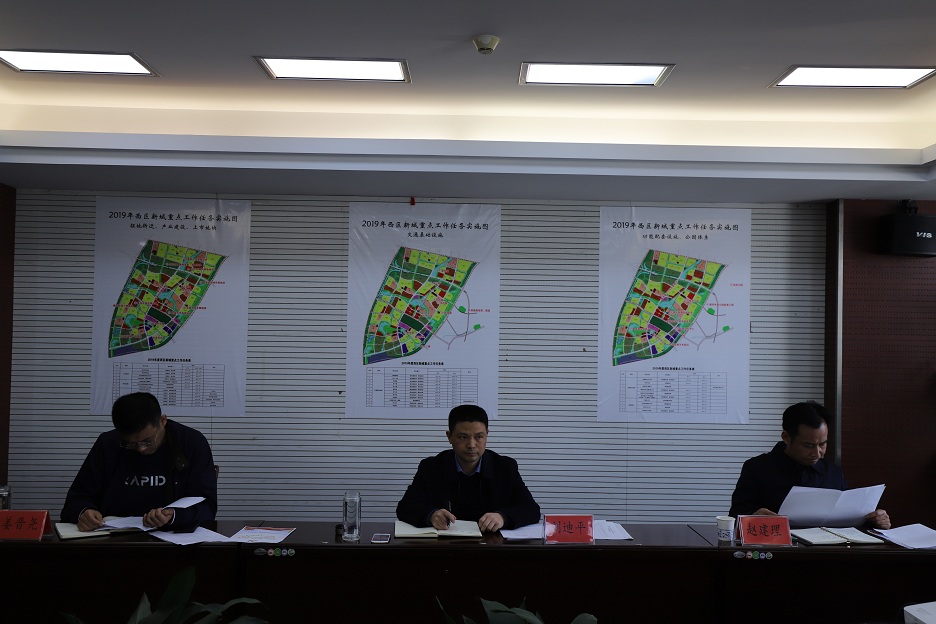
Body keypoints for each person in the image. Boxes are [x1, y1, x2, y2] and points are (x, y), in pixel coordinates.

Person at [61, 392, 217, 532]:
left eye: (148, 441)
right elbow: (76, 499)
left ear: (162, 421)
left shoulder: (191, 443)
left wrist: (175, 516)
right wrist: (84, 512)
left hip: (171, 538)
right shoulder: (108, 444)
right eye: (130, 444)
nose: (141, 449)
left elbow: (207, 506)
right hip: (113, 537)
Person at [729, 401, 890, 528]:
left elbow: (849, 518)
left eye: (822, 444)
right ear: (786, 438)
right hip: (777, 552)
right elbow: (735, 518)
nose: (817, 453)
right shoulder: (757, 468)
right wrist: (753, 518)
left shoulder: (832, 472)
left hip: (824, 553)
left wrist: (875, 520)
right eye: (808, 445)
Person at [396, 404, 540, 533]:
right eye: (463, 437)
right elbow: (405, 507)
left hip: (492, 547)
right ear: (449, 437)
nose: (471, 445)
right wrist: (431, 515)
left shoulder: (505, 468)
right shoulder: (431, 467)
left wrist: (503, 517)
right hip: (445, 547)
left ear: (487, 435)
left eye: (479, 437)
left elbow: (531, 509)